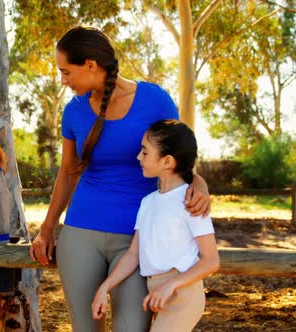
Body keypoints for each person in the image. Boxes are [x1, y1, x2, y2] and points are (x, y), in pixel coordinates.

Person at [29, 25, 211, 332]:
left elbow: (180, 153)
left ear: (90, 65)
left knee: (131, 327)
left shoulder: (155, 100)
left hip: (138, 239)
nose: (62, 81)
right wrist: (47, 228)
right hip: (80, 233)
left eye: (66, 72)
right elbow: (68, 171)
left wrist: (200, 182)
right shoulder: (74, 111)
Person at [91, 119, 220, 331]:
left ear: (167, 161)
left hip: (182, 295)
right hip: (157, 291)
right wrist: (104, 287)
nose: (138, 157)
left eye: (145, 152)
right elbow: (133, 255)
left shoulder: (191, 202)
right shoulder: (148, 202)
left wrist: (171, 285)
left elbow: (211, 261)